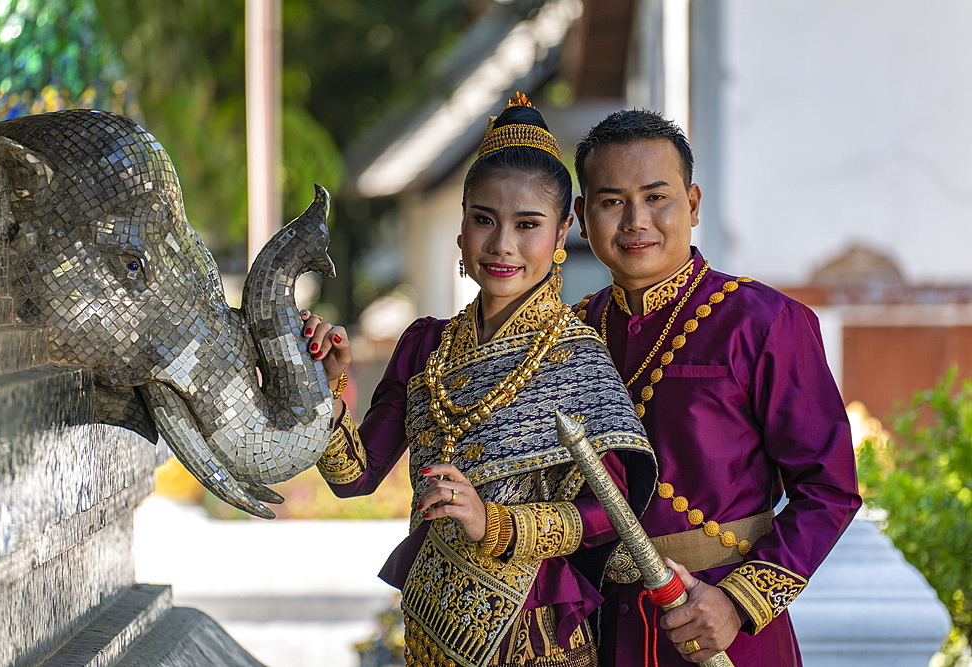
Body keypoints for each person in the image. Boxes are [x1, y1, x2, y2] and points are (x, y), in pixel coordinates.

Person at [302, 95, 658, 667]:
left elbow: (611, 514)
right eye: (483, 220)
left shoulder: (578, 360)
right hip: (429, 624)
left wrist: (492, 522)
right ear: (462, 224)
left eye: (528, 224)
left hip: (535, 632)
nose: (502, 245)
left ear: (564, 230)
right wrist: (325, 390)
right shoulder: (424, 345)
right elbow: (355, 478)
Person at [571, 110, 862, 666]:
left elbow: (829, 490)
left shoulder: (762, 321)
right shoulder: (569, 337)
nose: (636, 220)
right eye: (612, 202)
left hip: (732, 635)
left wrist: (737, 603)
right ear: (584, 218)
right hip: (605, 633)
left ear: (694, 204)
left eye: (657, 196)